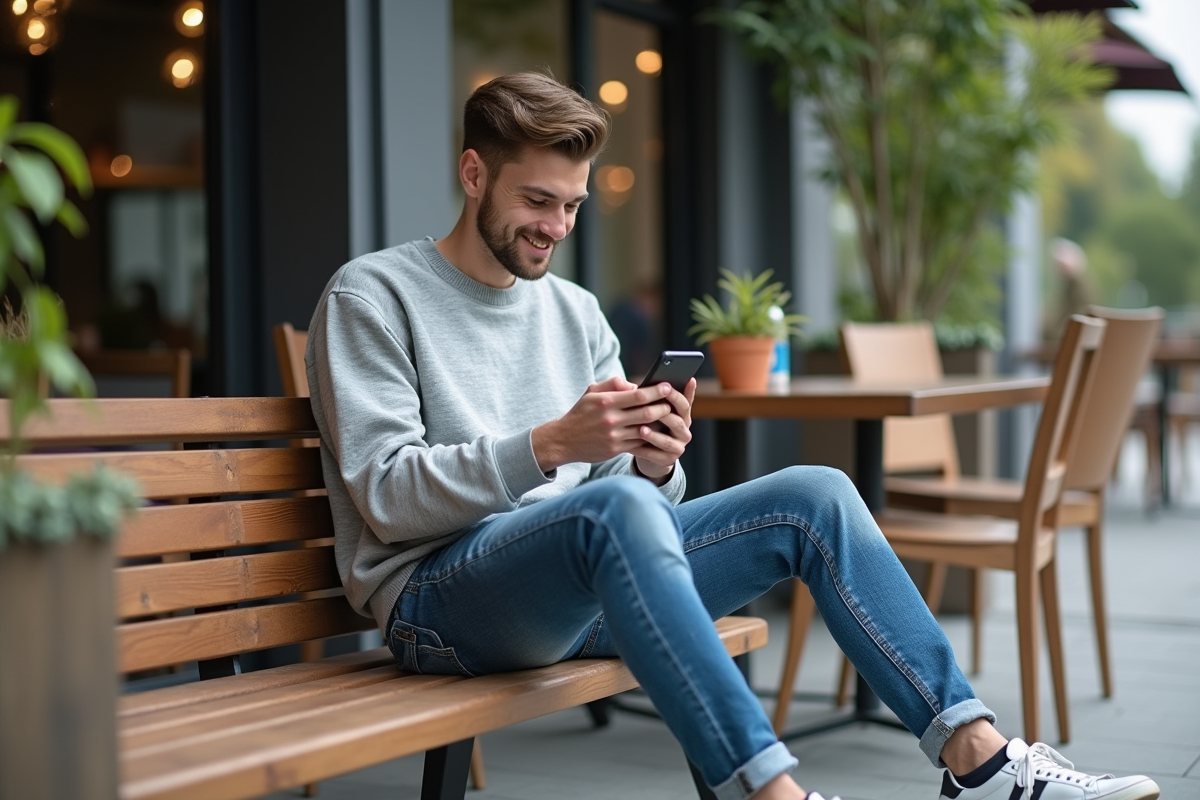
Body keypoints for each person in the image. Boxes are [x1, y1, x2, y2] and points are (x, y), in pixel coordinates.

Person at [306, 73, 1159, 800]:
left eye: (571, 205)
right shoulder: (373, 297)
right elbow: (385, 495)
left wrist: (652, 464)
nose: (556, 228)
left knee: (813, 494)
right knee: (605, 511)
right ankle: (769, 790)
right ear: (472, 173)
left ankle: (981, 764)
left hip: (580, 587)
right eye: (536, 201)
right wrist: (552, 446)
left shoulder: (571, 310)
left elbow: (626, 504)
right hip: (441, 606)